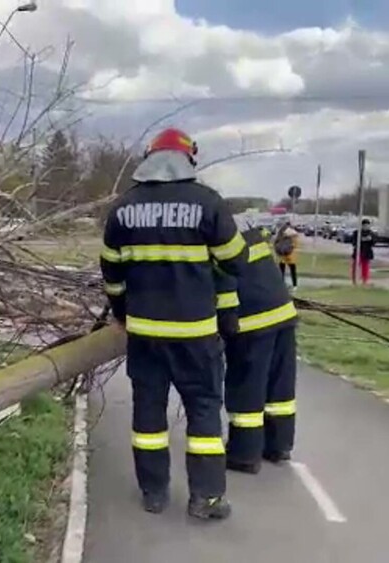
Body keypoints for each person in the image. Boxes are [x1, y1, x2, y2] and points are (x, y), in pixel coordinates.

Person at [100, 128, 247, 520]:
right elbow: (235, 259)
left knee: (148, 413)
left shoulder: (122, 208)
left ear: (149, 158)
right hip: (195, 335)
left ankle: (153, 493)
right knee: (202, 410)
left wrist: (121, 311)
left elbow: (111, 274)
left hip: (145, 334)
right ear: (188, 158)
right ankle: (206, 498)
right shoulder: (207, 203)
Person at [216, 227, 298, 473]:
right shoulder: (248, 235)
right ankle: (278, 446)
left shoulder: (213, 245)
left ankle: (244, 454)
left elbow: (222, 287)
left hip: (251, 322)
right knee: (279, 387)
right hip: (283, 313)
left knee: (246, 387)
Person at [273, 220, 300, 292]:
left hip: (282, 254)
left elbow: (276, 242)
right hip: (290, 254)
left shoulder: (280, 233)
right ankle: (294, 285)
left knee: (282, 270)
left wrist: (277, 250)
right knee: (292, 270)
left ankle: (282, 284)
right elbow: (295, 243)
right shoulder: (292, 233)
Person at [351, 219, 376, 285]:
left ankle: (364, 281)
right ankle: (354, 280)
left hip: (367, 252)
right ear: (362, 225)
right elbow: (353, 242)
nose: (366, 227)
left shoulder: (371, 233)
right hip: (358, 252)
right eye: (364, 225)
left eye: (367, 225)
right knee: (355, 266)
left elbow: (374, 243)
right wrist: (361, 240)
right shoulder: (357, 233)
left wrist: (371, 240)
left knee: (365, 267)